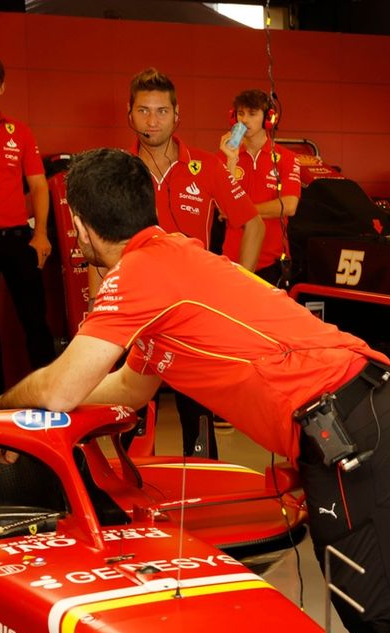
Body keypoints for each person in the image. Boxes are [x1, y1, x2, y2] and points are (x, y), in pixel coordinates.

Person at [0, 147, 390, 633]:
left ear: (80, 225)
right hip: (363, 412)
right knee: (388, 617)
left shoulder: (139, 273)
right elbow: (130, 388)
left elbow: (63, 389)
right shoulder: (174, 255)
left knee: (387, 623)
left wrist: (2, 405)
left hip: (349, 424)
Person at [126, 67, 266, 457]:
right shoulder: (120, 169)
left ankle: (205, 484)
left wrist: (241, 283)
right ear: (130, 114)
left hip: (193, 308)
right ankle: (133, 490)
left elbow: (252, 224)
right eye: (143, 111)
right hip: (137, 306)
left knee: (198, 409)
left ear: (176, 114)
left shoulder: (207, 165)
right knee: (132, 409)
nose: (152, 120)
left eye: (161, 111)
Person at [0, 55, 55, 396]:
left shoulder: (20, 132)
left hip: (18, 238)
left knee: (35, 322)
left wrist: (41, 233)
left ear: (2, 86)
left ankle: (50, 395)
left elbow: (39, 184)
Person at [218, 88, 301, 287]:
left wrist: (241, 211)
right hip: (232, 261)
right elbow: (222, 207)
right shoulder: (224, 155)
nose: (244, 120)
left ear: (268, 119)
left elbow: (289, 206)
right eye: (240, 113)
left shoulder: (287, 158)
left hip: (272, 264)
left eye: (252, 114)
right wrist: (231, 161)